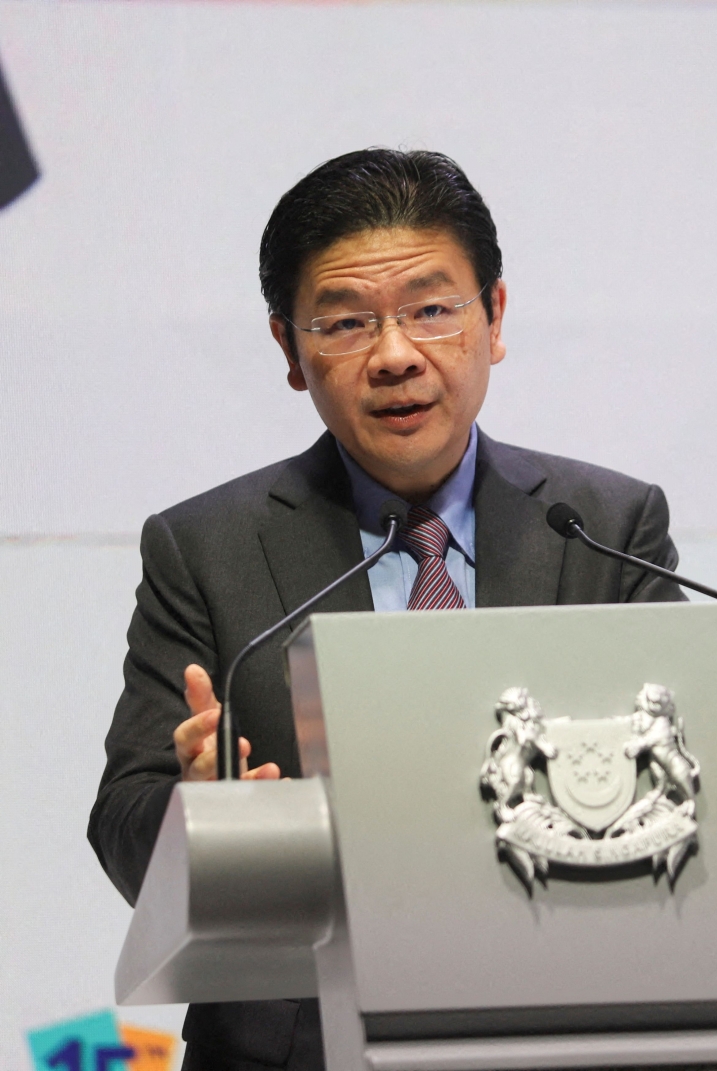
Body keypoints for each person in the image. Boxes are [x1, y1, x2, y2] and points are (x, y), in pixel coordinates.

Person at [88, 149, 686, 1071]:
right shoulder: (204, 547)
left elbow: (683, 780)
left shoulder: (606, 526)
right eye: (345, 322)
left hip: (569, 1033)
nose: (396, 354)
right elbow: (124, 821)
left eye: (431, 309)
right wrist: (199, 815)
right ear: (290, 352)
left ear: (493, 319)